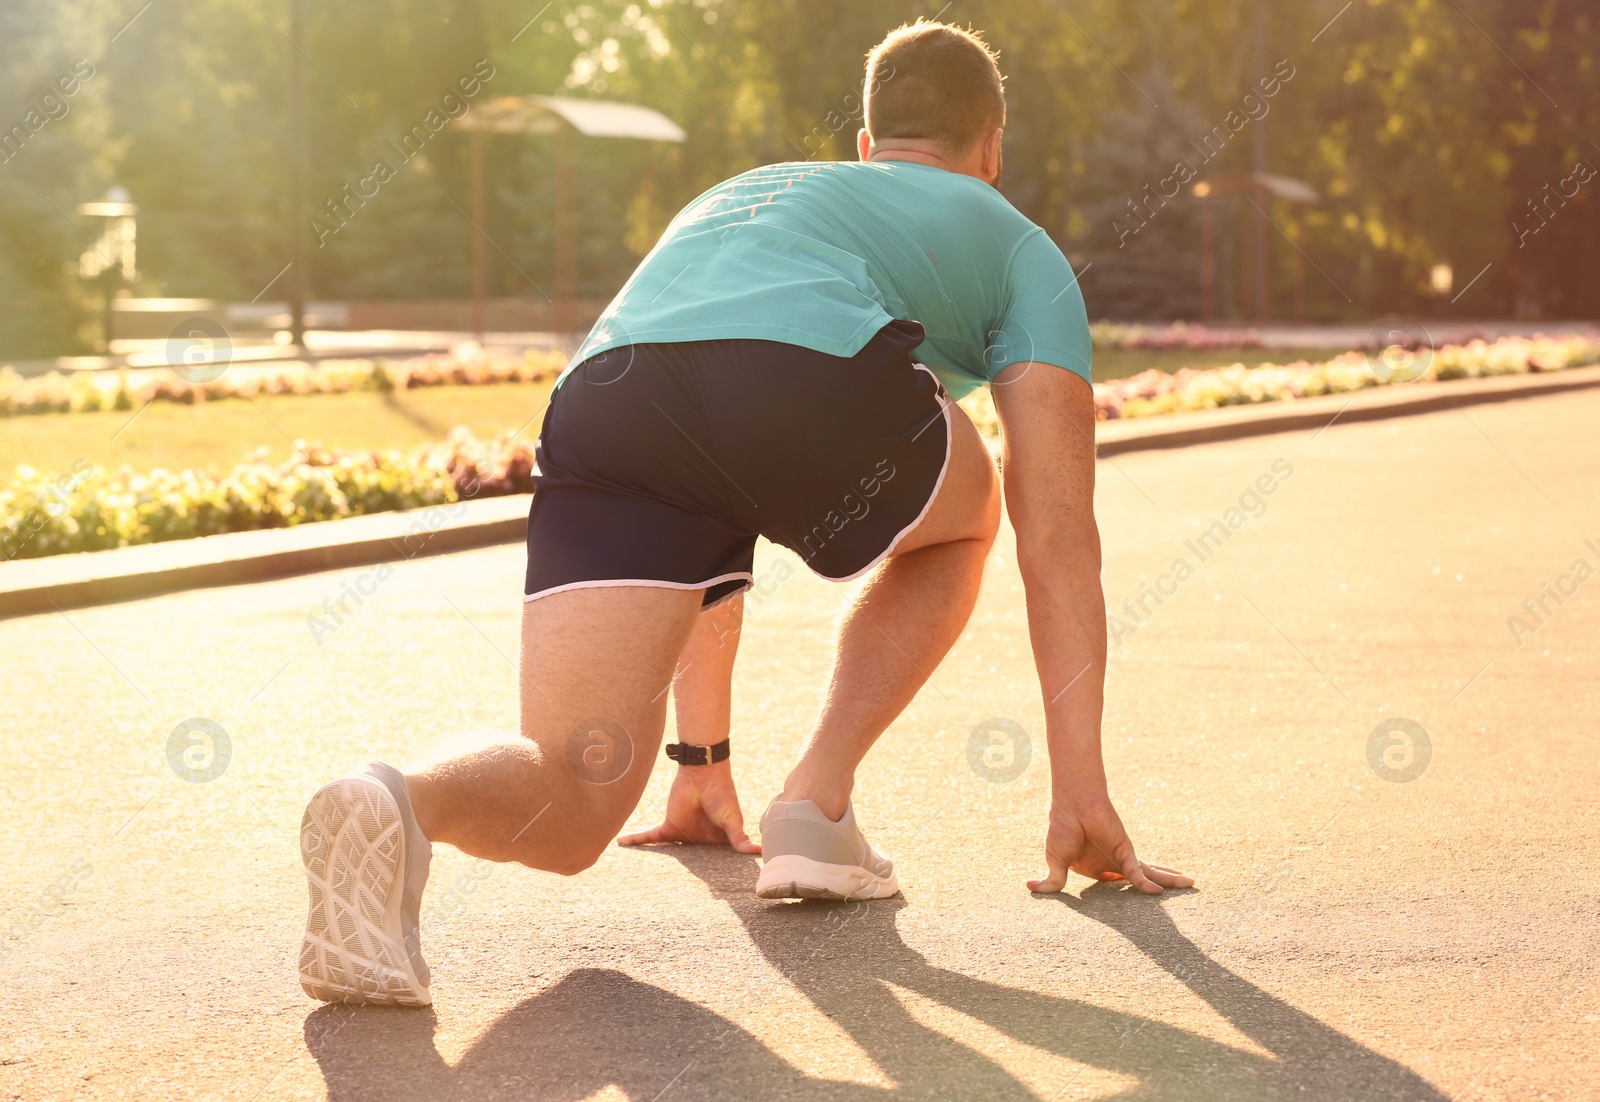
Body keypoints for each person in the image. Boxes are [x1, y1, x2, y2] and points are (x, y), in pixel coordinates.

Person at [297, 18, 1191, 1008]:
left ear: (867, 146)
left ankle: (396, 800)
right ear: (992, 149)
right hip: (791, 374)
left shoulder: (751, 195)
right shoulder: (1019, 246)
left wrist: (699, 759)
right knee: (973, 516)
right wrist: (1079, 789)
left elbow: (711, 506)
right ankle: (813, 802)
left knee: (573, 796)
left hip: (605, 396)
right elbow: (1059, 534)